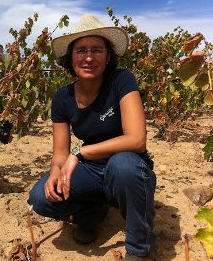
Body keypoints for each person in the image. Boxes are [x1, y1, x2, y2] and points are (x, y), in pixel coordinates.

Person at [27, 14, 156, 260]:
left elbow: (136, 139)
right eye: (81, 50)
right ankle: (92, 212)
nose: (89, 57)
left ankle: (141, 247)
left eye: (97, 50)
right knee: (41, 198)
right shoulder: (62, 98)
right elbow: (60, 153)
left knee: (123, 166)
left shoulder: (122, 80)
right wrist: (56, 170)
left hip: (128, 165)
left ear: (108, 57)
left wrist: (80, 153)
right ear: (70, 58)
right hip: (93, 170)